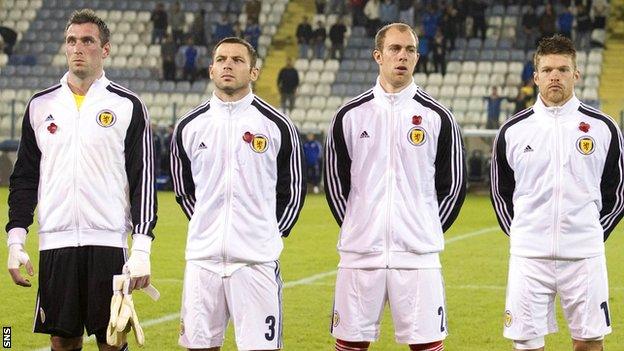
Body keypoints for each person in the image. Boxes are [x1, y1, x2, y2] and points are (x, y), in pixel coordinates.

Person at [6, 9, 156, 351]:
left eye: (87, 41)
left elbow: (143, 179)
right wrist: (16, 240)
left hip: (108, 241)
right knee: (62, 340)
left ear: (105, 49)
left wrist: (142, 247)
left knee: (112, 339)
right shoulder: (40, 105)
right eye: (71, 40)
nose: (78, 48)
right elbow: (25, 178)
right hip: (55, 242)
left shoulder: (127, 105)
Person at [324, 22, 466, 351]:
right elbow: (335, 184)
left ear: (417, 58)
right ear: (378, 55)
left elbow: (453, 186)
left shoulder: (438, 117)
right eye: (395, 49)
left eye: (410, 50)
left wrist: (421, 226)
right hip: (361, 254)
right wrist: (360, 225)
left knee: (427, 344)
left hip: (418, 256)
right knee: (350, 344)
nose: (402, 56)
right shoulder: (349, 115)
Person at [171, 37, 306, 351]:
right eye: (221, 59)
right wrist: (211, 225)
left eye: (237, 60)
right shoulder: (189, 126)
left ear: (254, 72)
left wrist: (266, 233)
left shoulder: (277, 125)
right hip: (202, 262)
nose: (228, 65)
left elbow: (293, 191)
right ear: (211, 70)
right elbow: (184, 191)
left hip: (255, 263)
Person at [490, 34, 624, 351]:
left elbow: (617, 192)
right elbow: (501, 193)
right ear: (535, 76)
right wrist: (527, 233)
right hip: (529, 258)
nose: (555, 76)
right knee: (525, 343)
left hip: (584, 257)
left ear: (576, 74)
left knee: (590, 341)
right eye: (548, 70)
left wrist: (587, 233)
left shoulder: (603, 128)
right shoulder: (512, 130)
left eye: (563, 69)